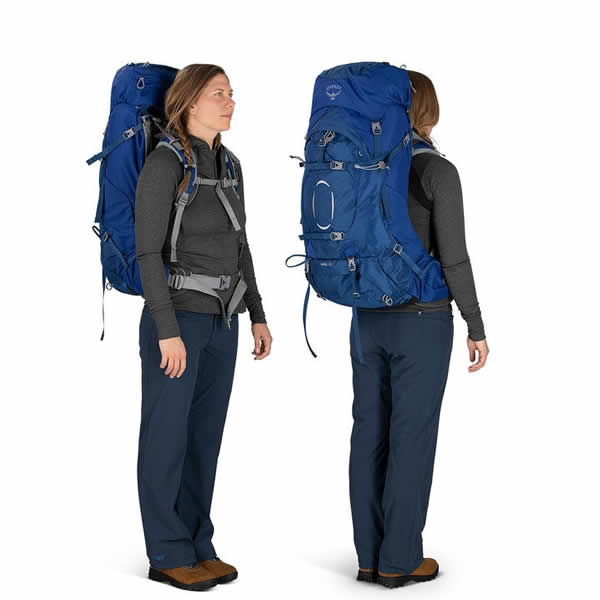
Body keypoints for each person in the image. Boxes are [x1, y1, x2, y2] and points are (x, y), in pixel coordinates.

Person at [135, 63, 272, 592]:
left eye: (231, 93)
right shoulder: (165, 163)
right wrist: (165, 329)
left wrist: (257, 313)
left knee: (203, 440)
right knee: (166, 437)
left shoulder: (230, 164)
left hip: (223, 321)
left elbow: (242, 244)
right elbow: (148, 253)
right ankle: (167, 552)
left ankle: (197, 543)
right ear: (190, 102)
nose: (230, 102)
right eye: (219, 93)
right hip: (176, 321)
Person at [350, 70, 490, 588]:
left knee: (368, 433)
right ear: (428, 110)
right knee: (411, 436)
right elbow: (454, 257)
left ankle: (369, 556)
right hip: (422, 321)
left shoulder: (363, 166)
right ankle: (400, 559)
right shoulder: (437, 170)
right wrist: (475, 323)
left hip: (366, 317)